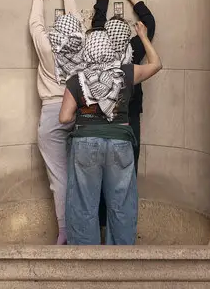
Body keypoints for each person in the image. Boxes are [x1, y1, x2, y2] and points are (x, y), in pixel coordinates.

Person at [60, 20, 162, 245]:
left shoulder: (77, 79)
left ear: (88, 49)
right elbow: (156, 64)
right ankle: (121, 265)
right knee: (122, 204)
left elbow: (64, 118)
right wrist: (144, 37)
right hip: (120, 143)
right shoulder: (126, 72)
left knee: (84, 206)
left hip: (85, 144)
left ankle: (86, 263)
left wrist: (85, 112)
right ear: (107, 45)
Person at [91, 0, 156, 232]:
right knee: (126, 177)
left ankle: (102, 227)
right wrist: (135, 0)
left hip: (102, 122)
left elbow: (97, 22)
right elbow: (150, 23)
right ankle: (124, 230)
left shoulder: (99, 50)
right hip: (130, 122)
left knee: (101, 177)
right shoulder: (135, 51)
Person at [29, 0, 83, 245]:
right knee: (84, 176)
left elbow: (35, 25)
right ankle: (84, 232)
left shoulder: (47, 47)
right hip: (80, 112)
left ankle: (65, 232)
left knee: (59, 178)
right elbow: (75, 19)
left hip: (52, 113)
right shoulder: (82, 45)